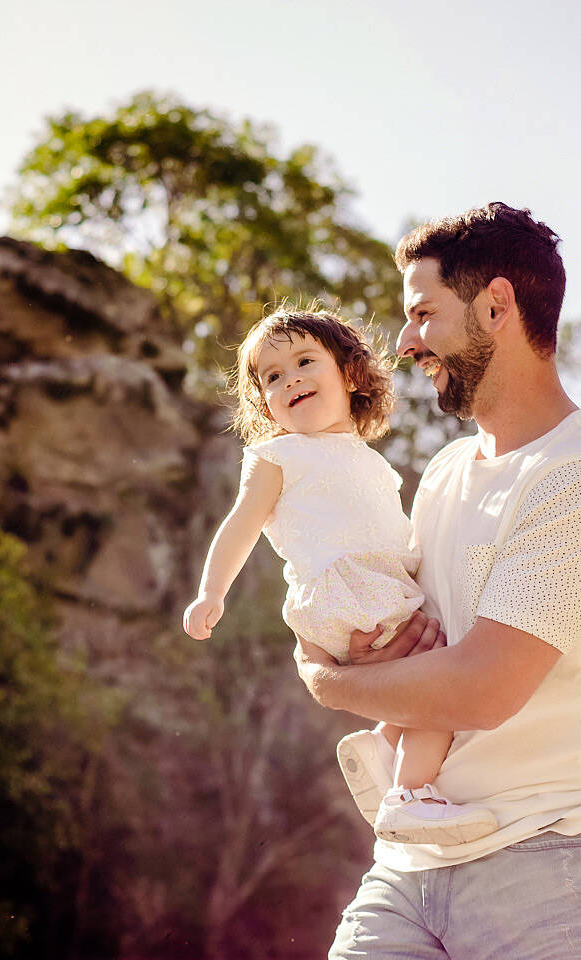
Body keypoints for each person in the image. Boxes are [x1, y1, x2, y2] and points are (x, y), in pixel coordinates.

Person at [293, 204, 581, 959]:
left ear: (496, 306)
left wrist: (331, 686)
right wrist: (368, 655)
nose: (404, 343)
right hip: (414, 860)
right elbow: (412, 650)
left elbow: (482, 689)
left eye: (422, 314)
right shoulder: (444, 475)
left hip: (561, 859)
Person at [183, 307, 499, 844]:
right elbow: (242, 523)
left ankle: (382, 741)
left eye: (305, 361)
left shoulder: (369, 461)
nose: (291, 380)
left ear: (351, 375)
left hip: (370, 591)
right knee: (438, 684)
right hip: (345, 594)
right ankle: (411, 795)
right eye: (273, 377)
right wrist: (212, 592)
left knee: (415, 675)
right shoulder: (277, 455)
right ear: (265, 403)